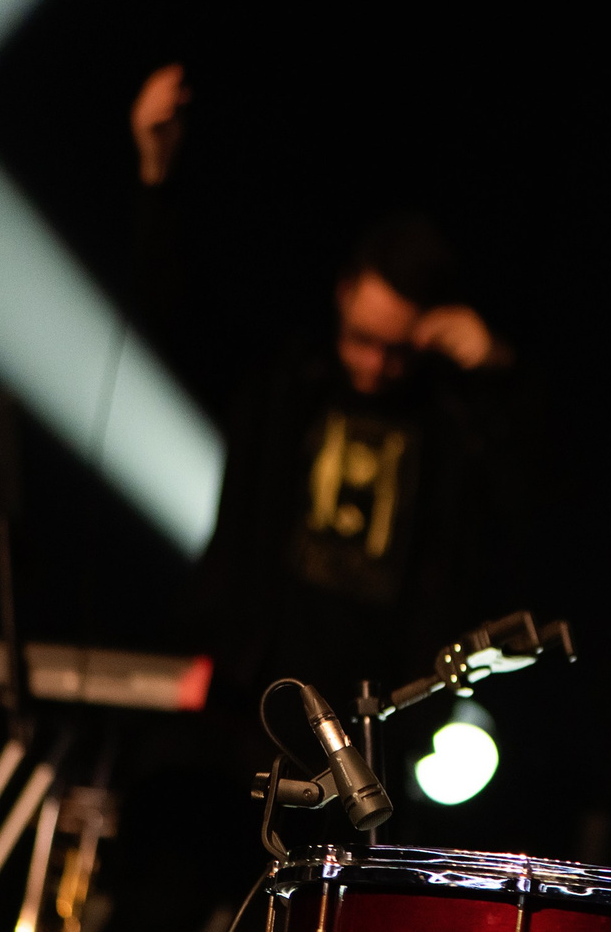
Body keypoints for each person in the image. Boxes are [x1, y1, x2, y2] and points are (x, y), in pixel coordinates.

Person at [127, 62, 530, 704]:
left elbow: (526, 502)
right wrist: (157, 175)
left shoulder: (451, 418)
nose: (373, 363)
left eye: (396, 351)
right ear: (344, 296)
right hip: (251, 683)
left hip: (383, 707)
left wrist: (497, 372)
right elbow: (173, 317)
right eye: (362, 340)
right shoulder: (290, 381)